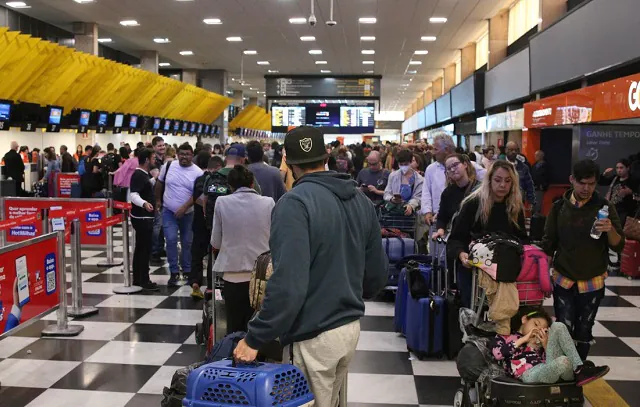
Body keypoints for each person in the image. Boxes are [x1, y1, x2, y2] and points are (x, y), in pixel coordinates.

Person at [234, 127, 388, 406]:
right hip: (349, 329)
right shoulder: (361, 201)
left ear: (287, 162)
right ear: (326, 156)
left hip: (313, 333)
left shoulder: (294, 204)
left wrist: (254, 338)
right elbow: (377, 276)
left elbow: (288, 285)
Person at [541, 159, 625, 360]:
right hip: (564, 277)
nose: (586, 188)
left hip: (593, 278)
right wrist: (543, 276)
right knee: (563, 326)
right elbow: (549, 243)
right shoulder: (559, 207)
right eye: (582, 183)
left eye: (592, 184)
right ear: (572, 180)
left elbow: (618, 244)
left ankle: (578, 371)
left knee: (584, 329)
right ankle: (562, 371)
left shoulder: (604, 206)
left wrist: (610, 229)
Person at [448, 160, 528, 323]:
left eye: (507, 181)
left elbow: (522, 238)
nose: (502, 185)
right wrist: (461, 254)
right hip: (474, 267)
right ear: (489, 180)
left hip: (505, 266)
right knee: (474, 310)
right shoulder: (473, 203)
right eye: (498, 180)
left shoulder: (514, 206)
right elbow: (456, 239)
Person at [211, 165, 275, 333]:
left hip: (232, 275)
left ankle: (234, 356)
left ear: (230, 185)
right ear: (252, 183)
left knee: (234, 325)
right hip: (262, 276)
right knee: (259, 326)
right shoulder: (268, 203)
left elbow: (215, 242)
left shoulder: (221, 202)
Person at [491, 308, 610, 386]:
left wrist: (545, 344)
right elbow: (497, 354)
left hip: (549, 368)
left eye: (544, 330)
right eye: (536, 324)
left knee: (558, 326)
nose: (538, 330)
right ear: (524, 319)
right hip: (528, 374)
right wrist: (524, 339)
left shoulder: (541, 341)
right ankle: (578, 369)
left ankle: (579, 369)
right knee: (563, 361)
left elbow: (549, 360)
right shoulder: (506, 337)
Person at [155, 143, 203, 286]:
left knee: (187, 242)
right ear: (177, 154)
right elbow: (159, 183)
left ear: (192, 155)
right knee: (170, 240)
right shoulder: (168, 166)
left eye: (187, 154)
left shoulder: (198, 172)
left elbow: (197, 194)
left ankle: (187, 270)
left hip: (188, 213)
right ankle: (174, 272)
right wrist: (158, 200)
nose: (184, 157)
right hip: (168, 211)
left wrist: (184, 207)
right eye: (181, 154)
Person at [432, 154, 479, 278]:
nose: (453, 169)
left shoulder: (479, 190)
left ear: (465, 165)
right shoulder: (448, 193)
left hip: (476, 240)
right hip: (456, 242)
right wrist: (440, 230)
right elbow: (442, 216)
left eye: (455, 165)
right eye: (449, 168)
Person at [190, 155, 224, 298]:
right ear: (218, 167)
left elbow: (196, 198)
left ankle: (195, 283)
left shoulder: (199, 180)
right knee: (213, 253)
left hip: (198, 222)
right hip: (213, 224)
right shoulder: (221, 181)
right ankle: (211, 286)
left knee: (197, 254)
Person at [129, 148, 159, 291]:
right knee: (143, 248)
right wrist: (145, 203)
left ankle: (138, 278)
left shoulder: (143, 175)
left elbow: (144, 188)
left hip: (143, 216)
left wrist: (154, 179)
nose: (154, 159)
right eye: (153, 157)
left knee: (141, 247)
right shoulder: (138, 175)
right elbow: (133, 195)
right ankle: (143, 279)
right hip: (142, 217)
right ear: (146, 159)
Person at [421, 134, 457, 226]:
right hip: (436, 217)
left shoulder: (465, 165)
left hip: (458, 217)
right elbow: (426, 192)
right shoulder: (431, 169)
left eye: (436, 149)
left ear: (447, 150)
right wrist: (427, 211)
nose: (433, 152)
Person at [383, 149, 424, 216]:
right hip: (393, 212)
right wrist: (392, 199)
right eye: (401, 164)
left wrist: (411, 205)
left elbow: (418, 197)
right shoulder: (393, 176)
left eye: (406, 164)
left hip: (411, 215)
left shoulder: (419, 179)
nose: (403, 166)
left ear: (410, 162)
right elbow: (386, 193)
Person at [600, 158, 639, 226]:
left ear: (627, 168)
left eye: (621, 168)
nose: (619, 170)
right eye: (617, 168)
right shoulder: (615, 178)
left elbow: (638, 196)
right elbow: (601, 182)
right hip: (611, 210)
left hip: (625, 214)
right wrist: (604, 174)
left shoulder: (633, 181)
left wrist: (630, 192)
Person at [150, 136, 167, 265]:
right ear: (154, 147)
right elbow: (158, 176)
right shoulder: (154, 161)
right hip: (155, 196)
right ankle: (154, 252)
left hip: (163, 195)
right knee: (157, 225)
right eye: (160, 145)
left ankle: (160, 248)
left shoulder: (163, 161)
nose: (162, 147)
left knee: (161, 225)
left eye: (163, 145)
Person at [505, 141, 536, 209]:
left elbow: (529, 185)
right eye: (511, 150)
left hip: (519, 202)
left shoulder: (523, 167)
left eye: (516, 150)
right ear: (506, 150)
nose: (513, 152)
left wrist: (531, 201)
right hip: (503, 201)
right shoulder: (499, 165)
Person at [531, 150, 550, 214]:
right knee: (533, 204)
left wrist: (544, 185)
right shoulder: (534, 165)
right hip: (533, 187)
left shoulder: (545, 166)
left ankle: (537, 218)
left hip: (540, 188)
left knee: (538, 204)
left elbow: (548, 177)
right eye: (535, 155)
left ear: (541, 156)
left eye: (537, 155)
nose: (535, 157)